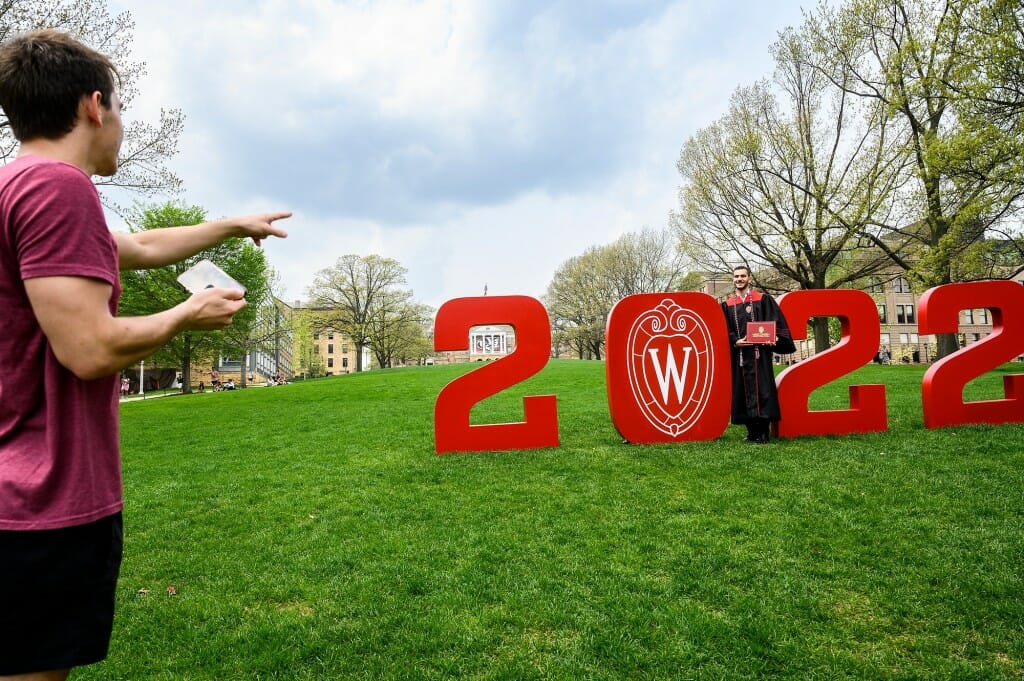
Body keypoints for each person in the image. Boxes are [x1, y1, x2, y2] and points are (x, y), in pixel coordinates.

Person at [0, 30, 291, 680]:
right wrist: (190, 312)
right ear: (94, 106)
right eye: (121, 108)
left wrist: (232, 225)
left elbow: (142, 243)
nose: (122, 126)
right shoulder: (59, 189)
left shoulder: (18, 185)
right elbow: (89, 349)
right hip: (44, 502)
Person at [722, 265, 796, 444]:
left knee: (763, 391)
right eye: (736, 276)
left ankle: (763, 432)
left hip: (759, 356)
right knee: (742, 393)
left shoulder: (763, 299)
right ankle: (751, 432)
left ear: (749, 278)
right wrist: (735, 341)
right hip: (740, 356)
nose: (739, 279)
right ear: (733, 280)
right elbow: (725, 330)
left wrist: (774, 339)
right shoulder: (727, 305)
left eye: (742, 276)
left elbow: (774, 323)